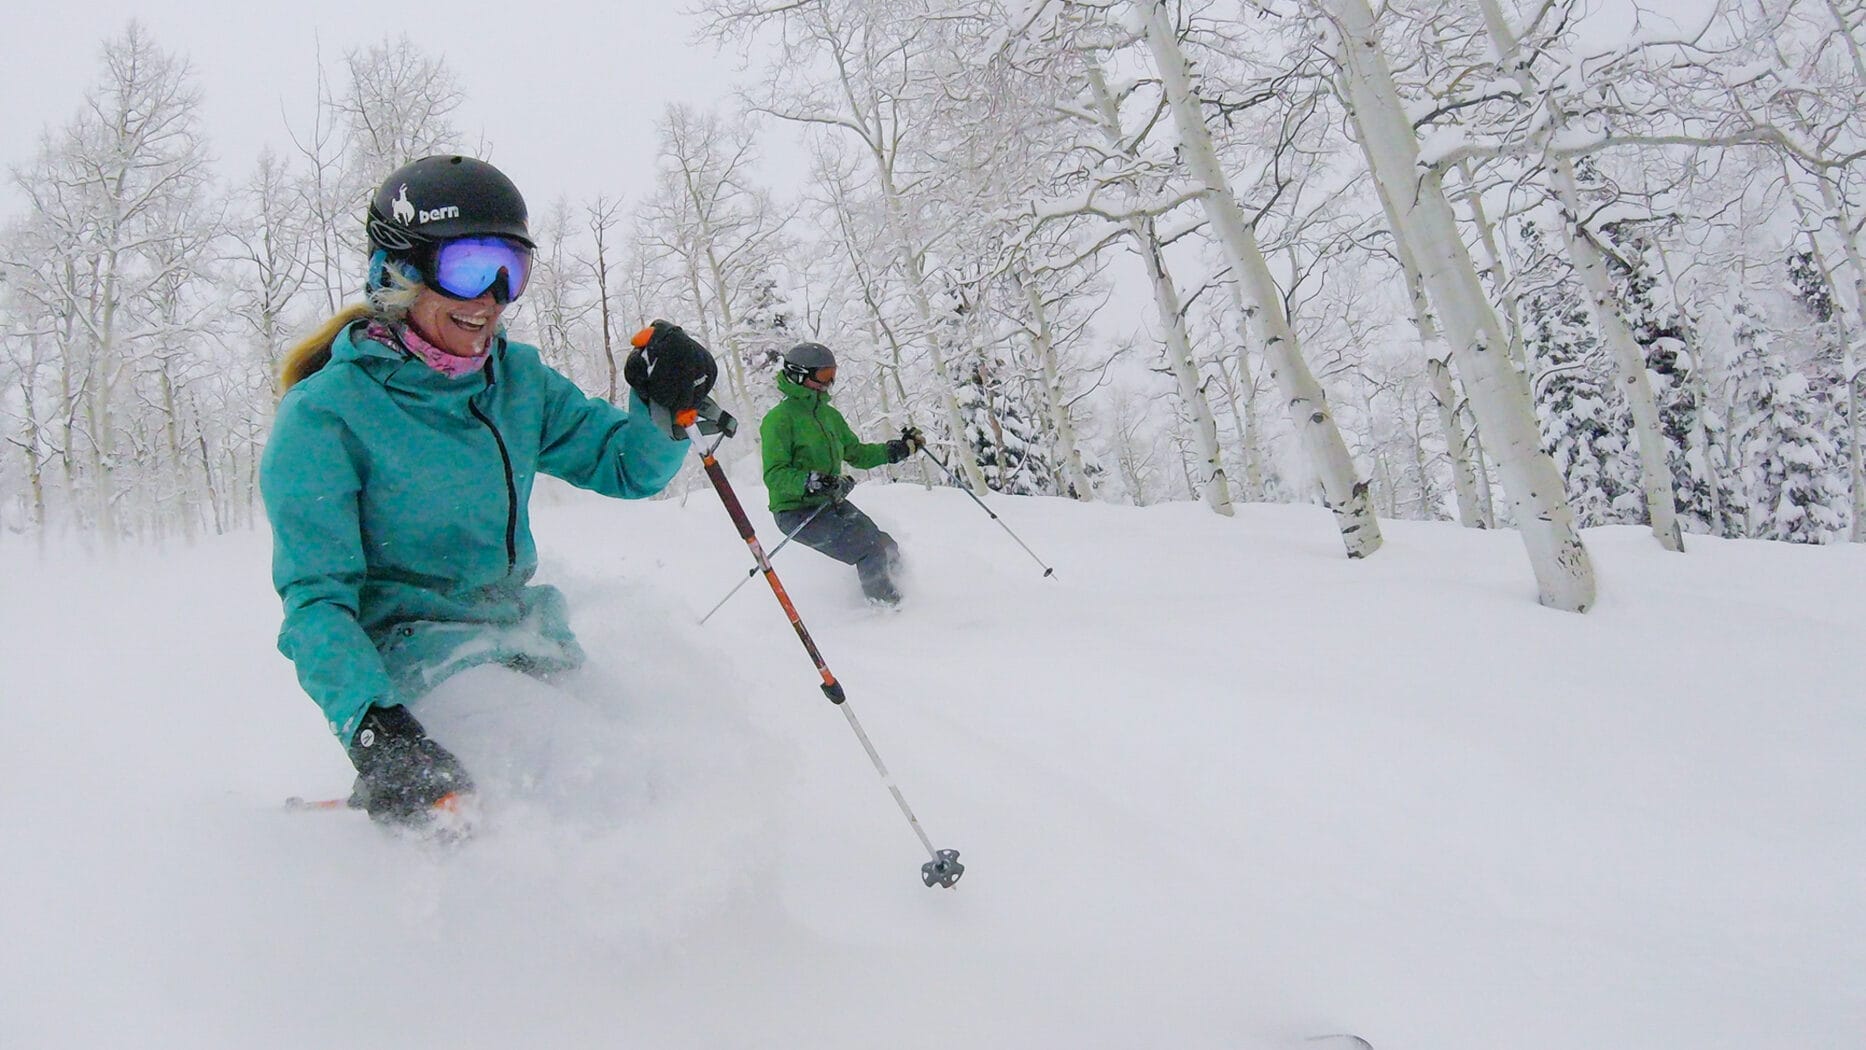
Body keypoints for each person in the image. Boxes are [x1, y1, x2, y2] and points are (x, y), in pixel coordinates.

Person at [260, 154, 717, 831]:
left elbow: (625, 468)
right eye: (471, 269)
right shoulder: (327, 415)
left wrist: (660, 404)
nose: (491, 299)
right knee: (601, 782)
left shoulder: (514, 379)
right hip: (418, 662)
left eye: (512, 271)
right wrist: (378, 732)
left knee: (659, 758)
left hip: (524, 637)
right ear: (401, 270)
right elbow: (316, 604)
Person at [760, 341, 925, 606]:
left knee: (886, 546)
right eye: (824, 376)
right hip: (796, 512)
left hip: (829, 503)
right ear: (800, 374)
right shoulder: (779, 420)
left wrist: (896, 450)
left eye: (833, 375)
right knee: (869, 550)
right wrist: (810, 481)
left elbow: (857, 453)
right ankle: (887, 611)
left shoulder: (829, 416)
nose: (830, 383)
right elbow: (774, 475)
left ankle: (913, 598)